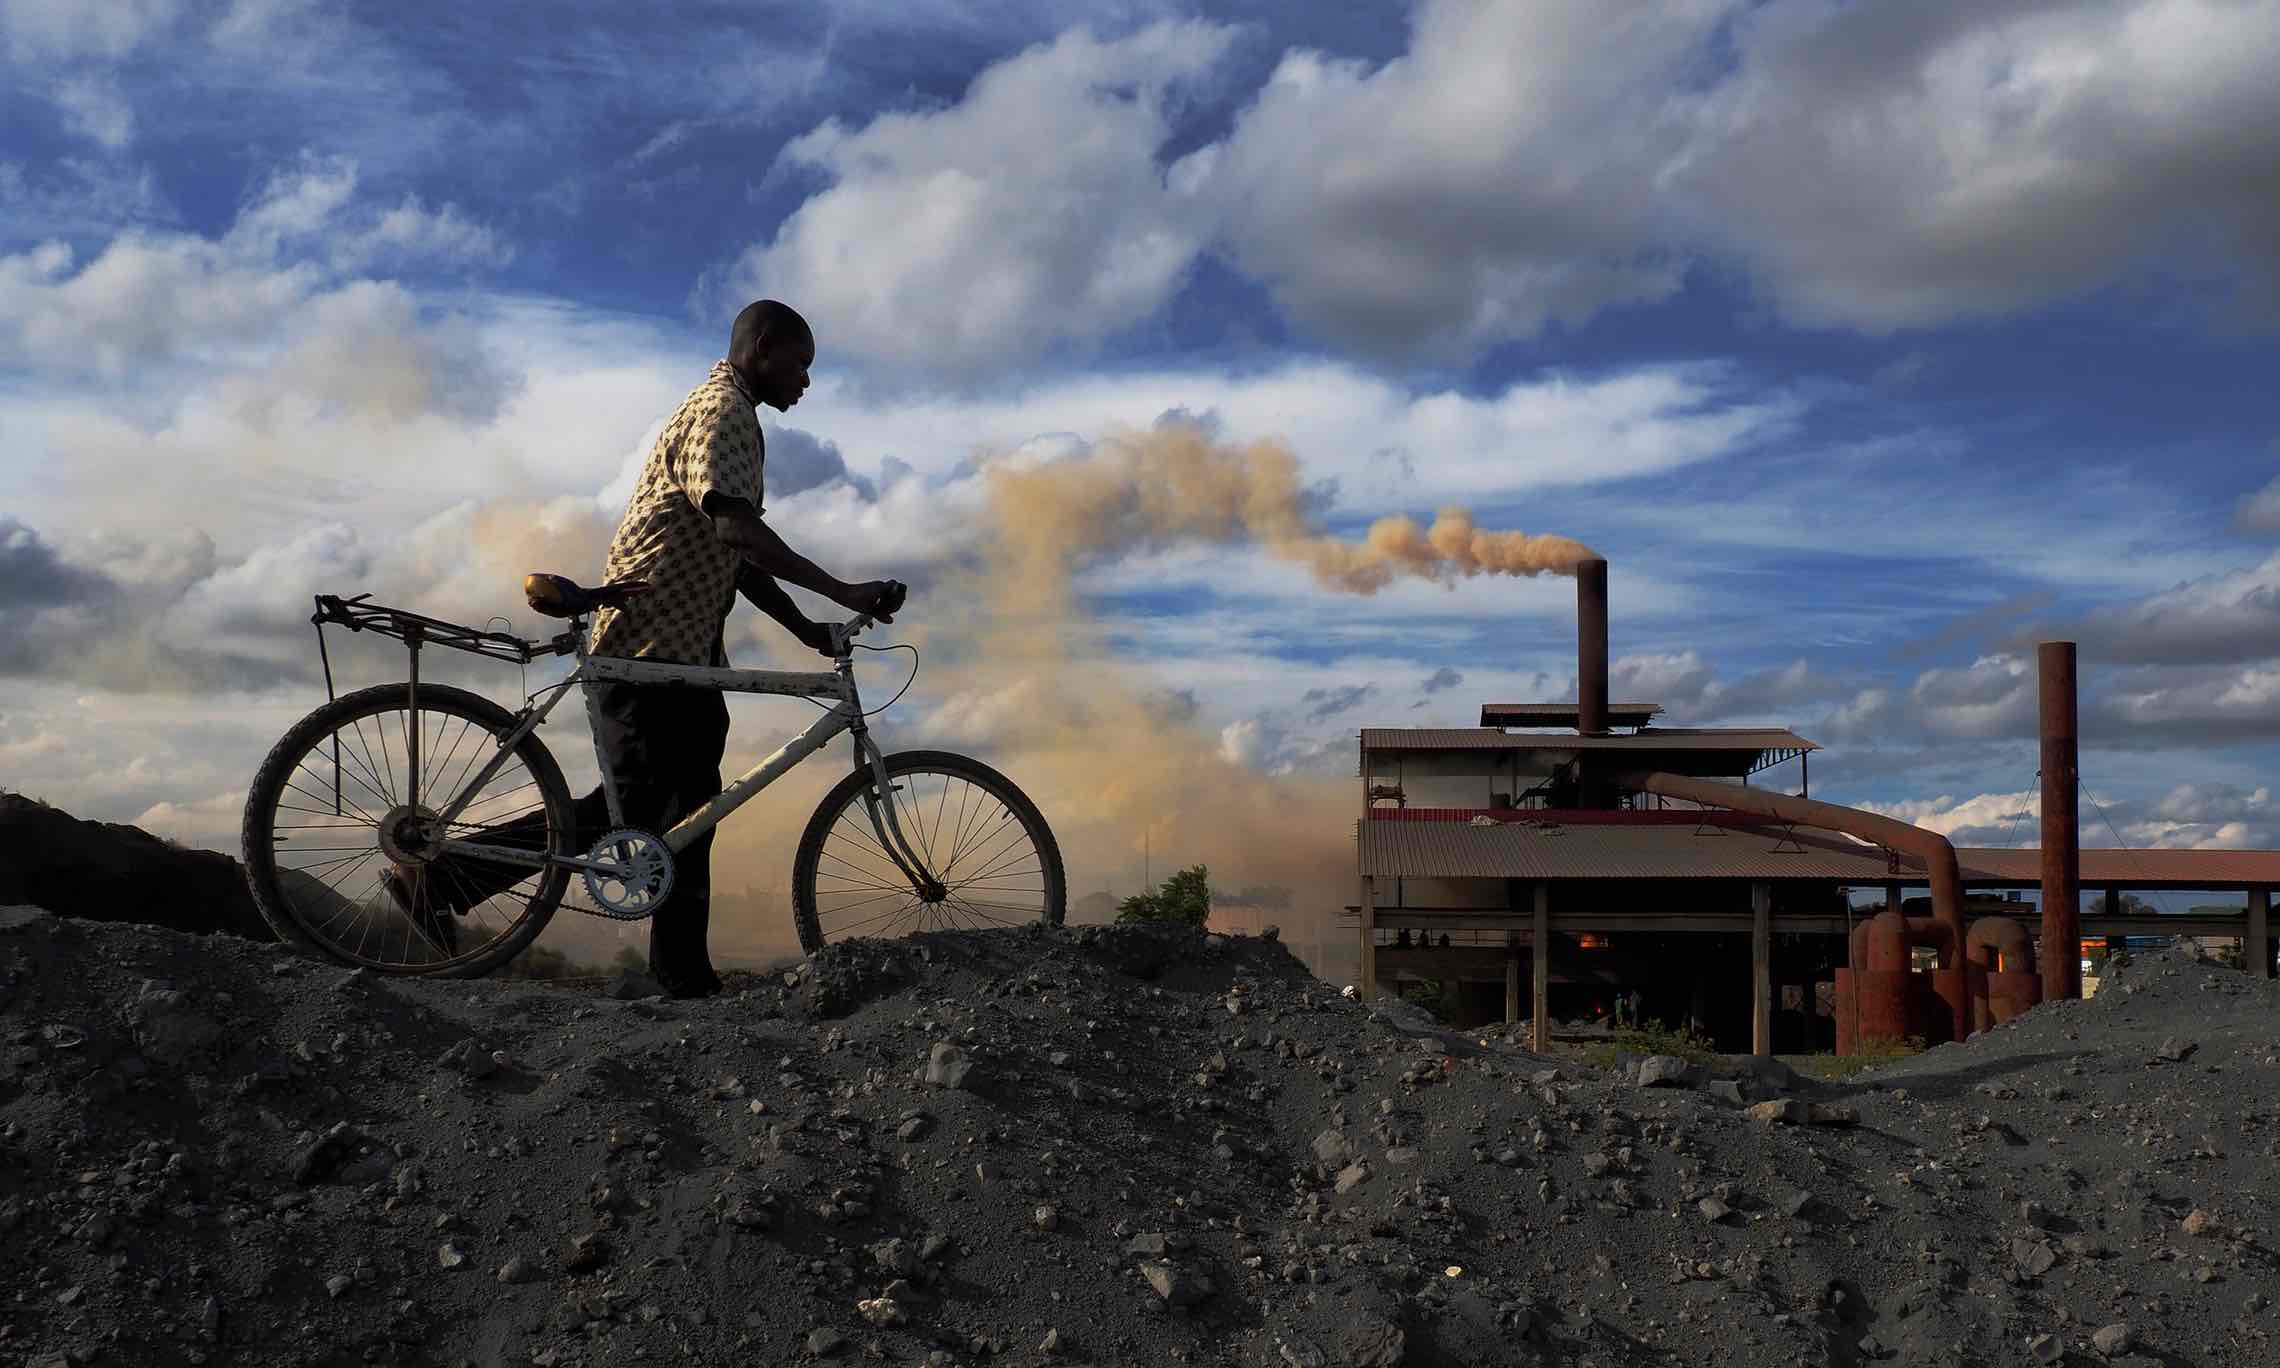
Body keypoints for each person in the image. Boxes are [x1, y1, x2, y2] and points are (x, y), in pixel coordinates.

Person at [386, 300, 906, 997]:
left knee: (690, 811)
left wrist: (808, 631)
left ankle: (683, 972)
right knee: (634, 809)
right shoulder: (722, 413)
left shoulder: (736, 417)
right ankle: (439, 877)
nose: (807, 382)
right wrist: (843, 592)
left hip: (684, 657)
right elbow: (737, 534)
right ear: (761, 347)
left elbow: (736, 558)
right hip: (645, 646)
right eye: (801, 364)